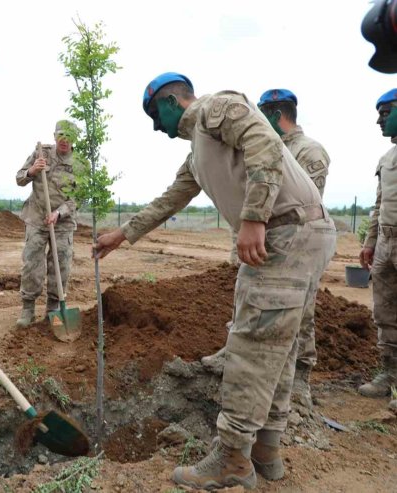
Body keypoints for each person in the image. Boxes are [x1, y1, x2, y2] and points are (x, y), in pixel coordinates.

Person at [94, 73, 336, 490]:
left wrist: (254, 217)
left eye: (155, 114)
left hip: (284, 231)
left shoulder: (214, 110)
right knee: (279, 343)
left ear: (171, 102)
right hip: (299, 233)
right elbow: (171, 198)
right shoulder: (198, 152)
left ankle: (231, 457)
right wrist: (122, 234)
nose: (156, 126)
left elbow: (263, 144)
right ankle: (266, 451)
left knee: (251, 343)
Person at [203, 89, 331, 412]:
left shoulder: (310, 151)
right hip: (260, 237)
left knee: (300, 313)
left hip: (292, 243)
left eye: (262, 113)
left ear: (275, 114)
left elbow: (301, 202)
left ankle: (298, 380)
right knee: (247, 299)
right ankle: (238, 353)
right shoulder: (258, 144)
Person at [15, 120, 78, 327]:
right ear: (54, 135)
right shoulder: (41, 152)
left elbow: (78, 198)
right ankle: (28, 309)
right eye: (61, 135)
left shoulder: (80, 164)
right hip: (36, 218)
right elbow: (20, 178)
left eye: (69, 136)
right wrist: (32, 170)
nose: (64, 140)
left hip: (62, 223)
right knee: (32, 263)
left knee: (61, 266)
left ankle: (53, 310)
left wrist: (59, 213)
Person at [359, 89, 397, 414]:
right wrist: (370, 242)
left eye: (385, 112)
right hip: (386, 242)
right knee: (384, 311)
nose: (379, 120)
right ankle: (390, 374)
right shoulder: (386, 159)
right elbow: (379, 204)